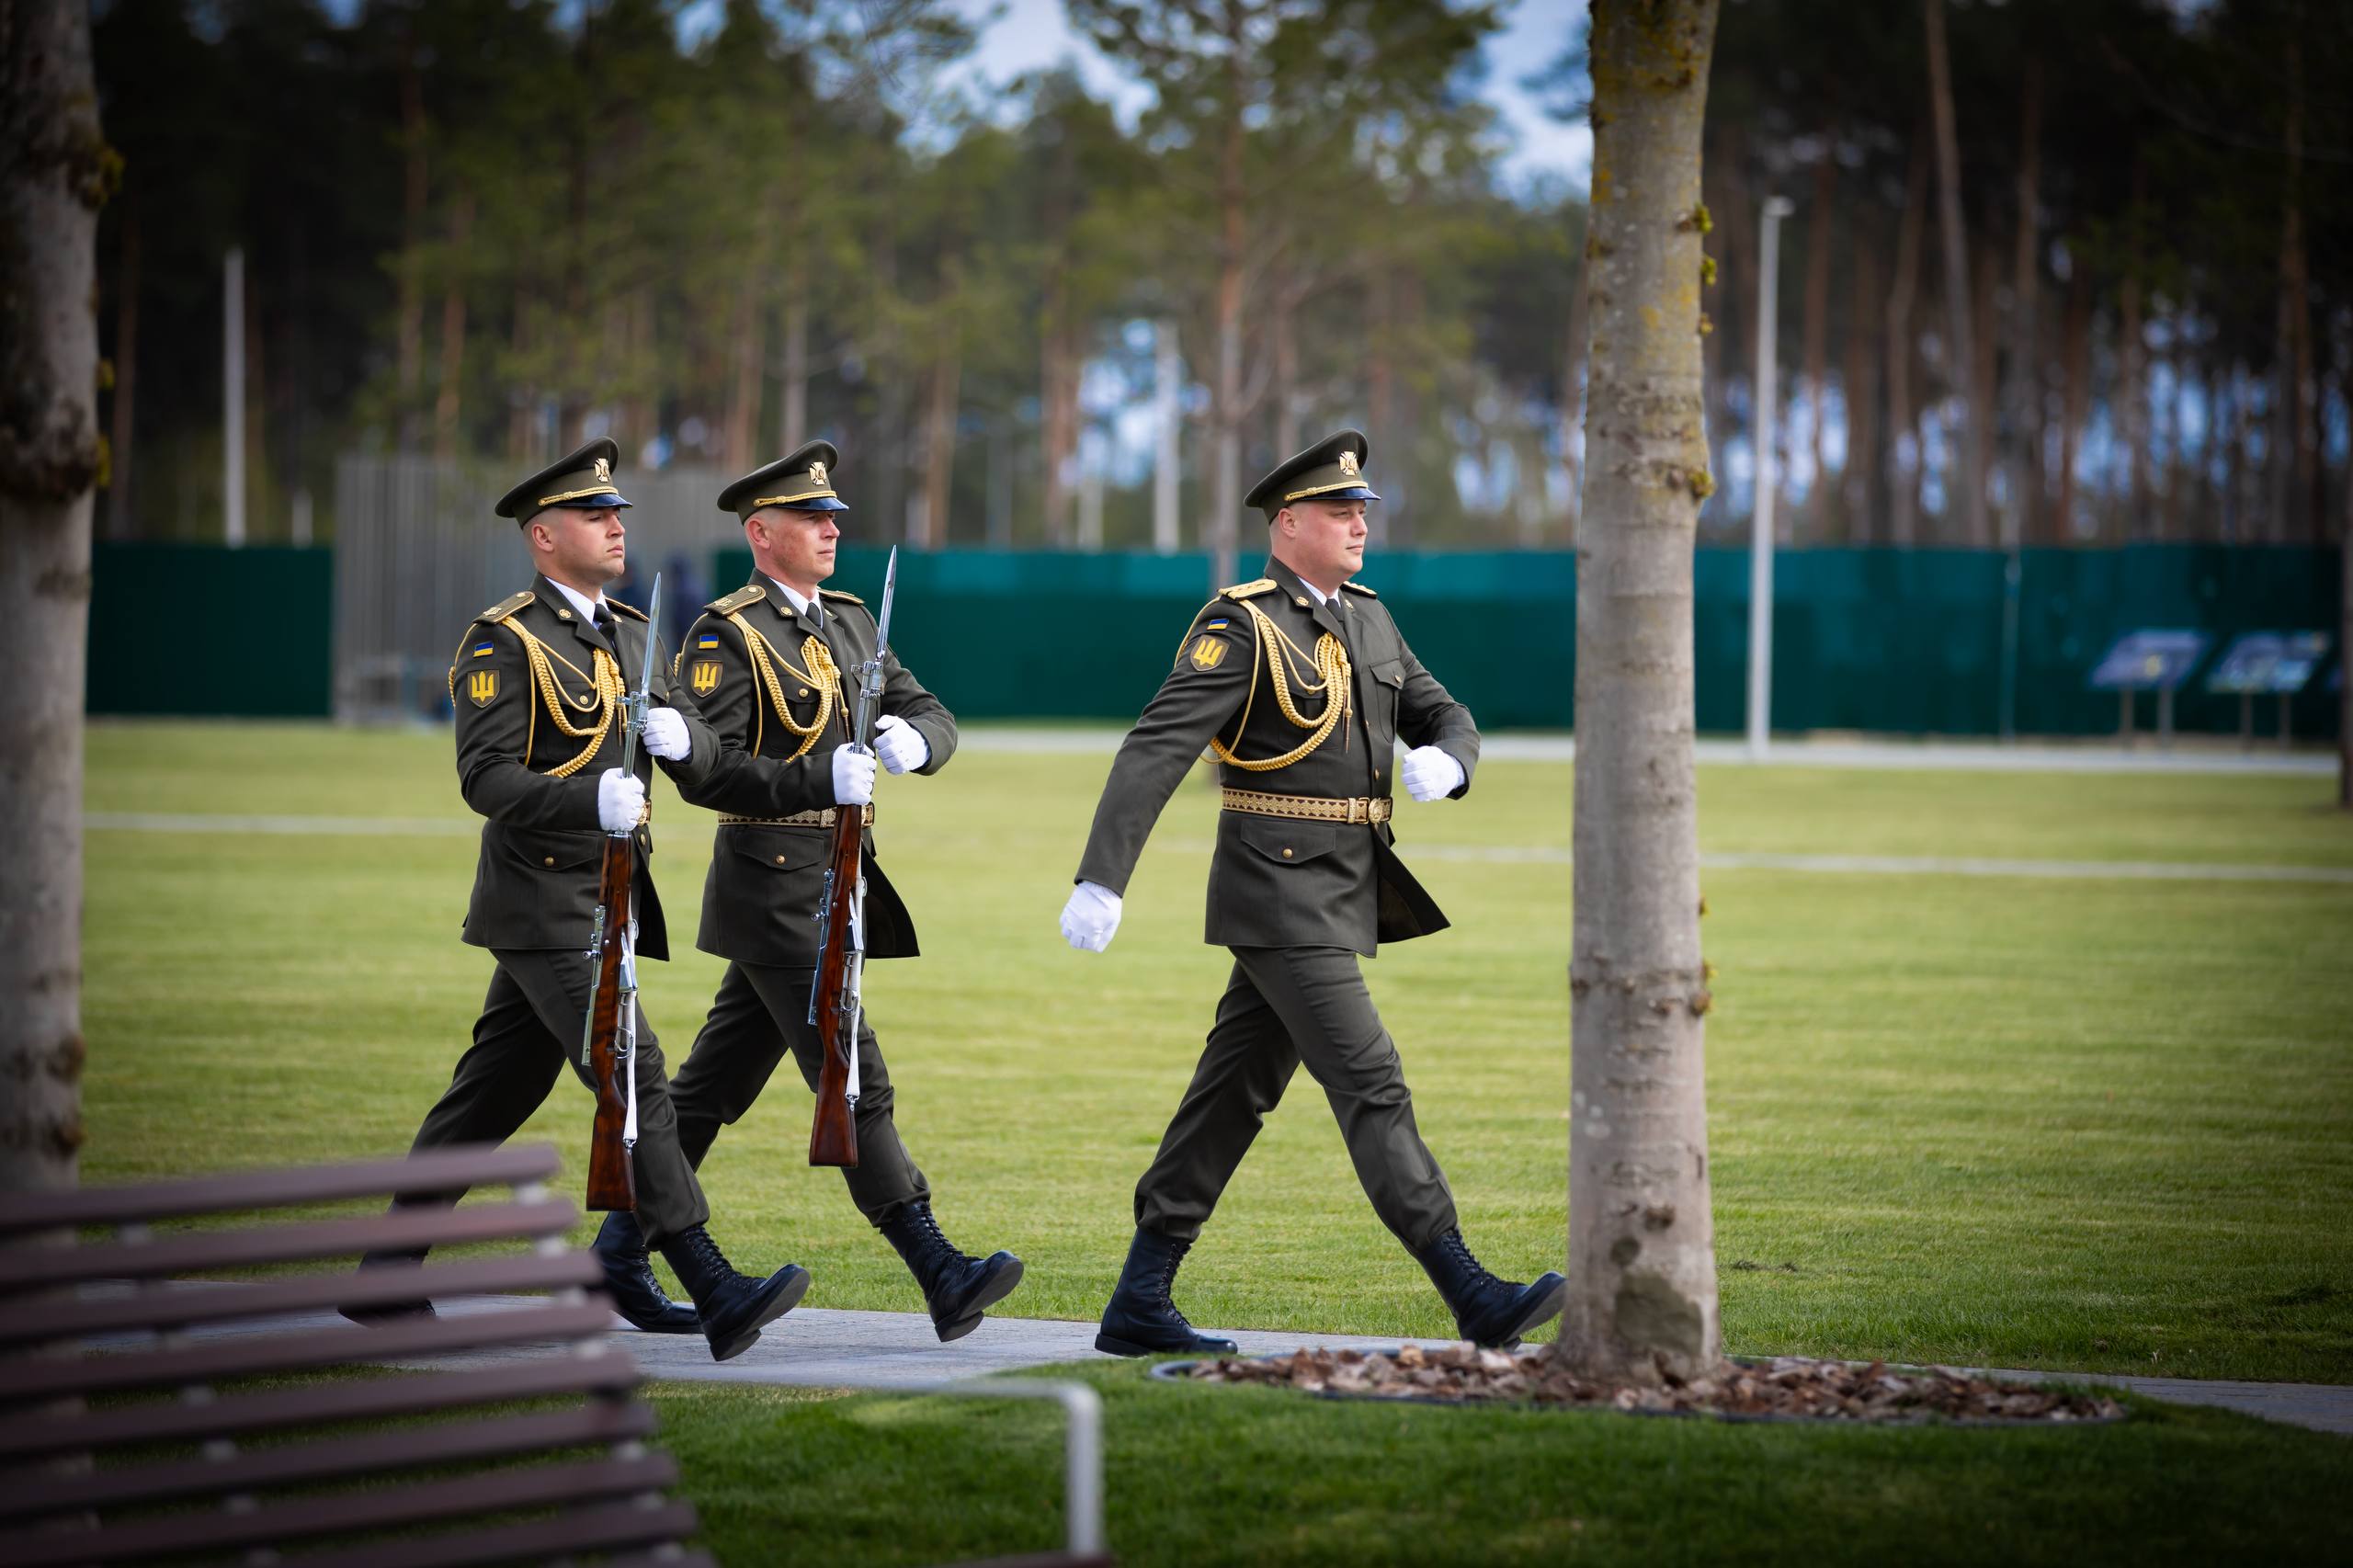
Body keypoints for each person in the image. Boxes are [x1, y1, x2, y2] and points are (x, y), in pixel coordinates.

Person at [1061, 429, 1567, 1357]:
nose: (1358, 523)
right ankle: (1469, 1288)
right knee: (1371, 1080)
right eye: (1340, 511)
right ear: (1288, 523)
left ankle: (1140, 1297)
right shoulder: (1240, 623)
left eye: (1363, 509)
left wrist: (1450, 761)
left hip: (1344, 885)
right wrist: (1102, 875)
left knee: (1232, 1092)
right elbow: (1155, 749)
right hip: (1278, 889)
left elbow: (1441, 709)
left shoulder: (1370, 616)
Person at [357, 437, 856, 1363]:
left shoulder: (632, 630)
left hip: (610, 898)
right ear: (543, 537)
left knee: (493, 1091)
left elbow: (704, 762)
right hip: (541, 899)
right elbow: (485, 778)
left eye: (619, 512)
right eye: (596, 514)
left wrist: (773, 767)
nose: (617, 524)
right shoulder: (503, 638)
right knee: (636, 1075)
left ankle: (386, 1270)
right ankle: (710, 1279)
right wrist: (583, 797)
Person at [609, 439, 1022, 1343]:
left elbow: (929, 709)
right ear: (761, 533)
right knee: (853, 1074)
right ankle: (939, 1268)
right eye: (809, 517)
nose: (830, 529)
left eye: (833, 515)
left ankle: (618, 1244)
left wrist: (918, 744)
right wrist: (814, 781)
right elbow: (708, 773)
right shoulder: (728, 633)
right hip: (772, 887)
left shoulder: (849, 621)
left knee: (711, 1090)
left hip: (836, 885)